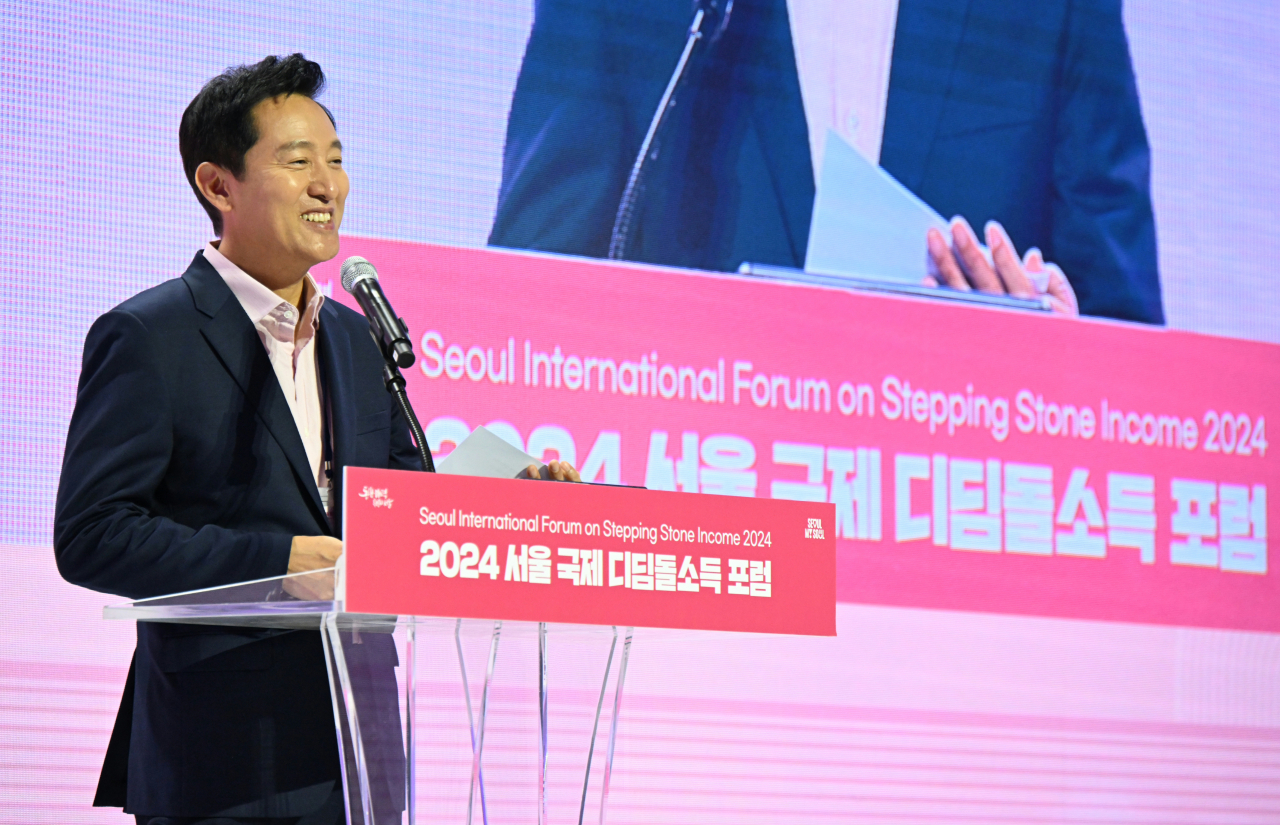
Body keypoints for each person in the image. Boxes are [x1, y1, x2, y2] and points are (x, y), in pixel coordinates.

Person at [53, 55, 578, 824]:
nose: (328, 184)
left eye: (335, 160)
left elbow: (402, 505)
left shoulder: (356, 338)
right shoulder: (149, 335)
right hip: (220, 754)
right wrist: (277, 561)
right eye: (298, 162)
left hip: (358, 744)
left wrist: (502, 504)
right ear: (217, 184)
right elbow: (93, 534)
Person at [488, 0, 1163, 323]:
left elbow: (1132, 347)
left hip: (964, 540)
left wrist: (1065, 352)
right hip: (698, 541)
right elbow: (527, 303)